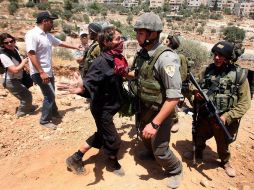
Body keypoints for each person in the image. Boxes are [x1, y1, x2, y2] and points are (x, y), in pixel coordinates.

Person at [61, 27, 127, 176]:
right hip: (102, 108)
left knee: (102, 134)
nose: (121, 41)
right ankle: (112, 161)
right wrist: (82, 89)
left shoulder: (116, 59)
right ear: (106, 42)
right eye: (117, 39)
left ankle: (75, 158)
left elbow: (118, 76)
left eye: (121, 38)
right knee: (113, 139)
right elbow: (89, 84)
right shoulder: (100, 63)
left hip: (110, 106)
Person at [128, 12, 183, 189]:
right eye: (136, 32)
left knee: (161, 149)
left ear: (152, 34)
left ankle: (175, 169)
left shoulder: (166, 58)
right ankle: (151, 153)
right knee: (145, 137)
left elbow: (174, 97)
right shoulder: (143, 54)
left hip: (161, 112)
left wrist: (156, 124)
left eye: (141, 33)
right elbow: (140, 75)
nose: (137, 36)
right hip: (144, 107)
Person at [191, 41, 251, 177]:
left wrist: (227, 117)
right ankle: (198, 152)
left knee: (223, 142)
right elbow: (193, 85)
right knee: (199, 134)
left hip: (223, 118)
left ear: (228, 58)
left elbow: (245, 103)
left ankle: (224, 161)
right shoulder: (207, 70)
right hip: (205, 114)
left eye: (221, 55)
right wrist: (196, 93)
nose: (217, 58)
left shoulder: (239, 76)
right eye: (215, 54)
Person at [25, 11, 80, 130]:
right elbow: (31, 54)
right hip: (40, 72)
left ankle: (54, 112)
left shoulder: (47, 35)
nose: (52, 24)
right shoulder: (32, 34)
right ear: (44, 21)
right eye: (51, 21)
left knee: (51, 93)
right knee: (49, 95)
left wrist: (75, 47)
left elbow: (60, 43)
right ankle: (44, 120)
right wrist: (41, 72)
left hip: (48, 71)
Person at [0, 33, 37, 117]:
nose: (9, 44)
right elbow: (14, 70)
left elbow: (19, 61)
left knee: (24, 94)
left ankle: (27, 107)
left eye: (11, 41)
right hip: (11, 80)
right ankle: (21, 113)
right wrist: (24, 62)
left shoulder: (15, 49)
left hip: (18, 78)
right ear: (2, 44)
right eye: (6, 43)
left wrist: (26, 67)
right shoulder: (3, 55)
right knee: (27, 96)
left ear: (14, 41)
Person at [165, 35, 188, 133]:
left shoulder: (179, 56)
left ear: (170, 43)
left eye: (166, 41)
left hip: (173, 85)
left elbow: (183, 73)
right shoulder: (164, 54)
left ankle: (175, 121)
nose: (164, 42)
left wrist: (175, 85)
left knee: (172, 103)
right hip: (165, 83)